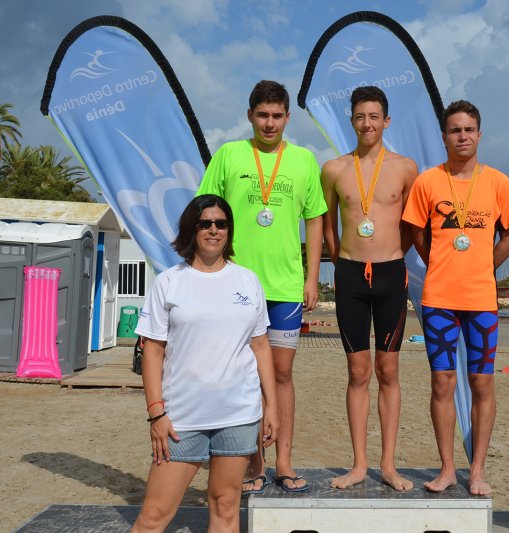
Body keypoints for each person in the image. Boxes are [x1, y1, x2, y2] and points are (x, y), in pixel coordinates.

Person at [195, 80, 327, 493]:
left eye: (277, 116)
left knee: (282, 374)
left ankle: (284, 460)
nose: (270, 123)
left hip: (285, 285)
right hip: (236, 283)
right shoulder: (229, 154)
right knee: (246, 376)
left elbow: (316, 220)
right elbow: (205, 213)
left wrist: (312, 278)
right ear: (250, 115)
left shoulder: (305, 160)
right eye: (262, 115)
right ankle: (255, 463)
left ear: (288, 117)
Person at [132, 194, 278, 532]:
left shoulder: (248, 281)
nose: (214, 230)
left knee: (226, 507)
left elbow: (260, 346)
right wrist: (156, 412)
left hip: (238, 415)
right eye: (205, 224)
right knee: (154, 515)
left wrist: (272, 406)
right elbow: (152, 351)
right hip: (181, 419)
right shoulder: (169, 282)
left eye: (221, 224)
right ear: (191, 230)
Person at [402, 100, 509, 495]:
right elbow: (416, 233)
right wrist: (437, 261)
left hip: (482, 300)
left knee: (482, 383)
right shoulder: (428, 181)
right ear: (444, 136)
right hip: (439, 297)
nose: (462, 136)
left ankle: (478, 471)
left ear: (479, 134)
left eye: (469, 129)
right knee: (442, 383)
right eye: (455, 130)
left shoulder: (499, 183)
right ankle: (447, 468)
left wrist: (484, 265)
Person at [320, 86, 418, 491]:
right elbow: (327, 225)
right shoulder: (334, 169)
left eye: (375, 116)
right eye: (360, 116)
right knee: (358, 371)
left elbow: (413, 224)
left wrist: (394, 257)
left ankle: (389, 465)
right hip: (349, 275)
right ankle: (359, 464)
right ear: (352, 120)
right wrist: (341, 261)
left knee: (388, 368)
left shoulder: (405, 168)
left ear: (386, 121)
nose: (367, 124)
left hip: (392, 273)